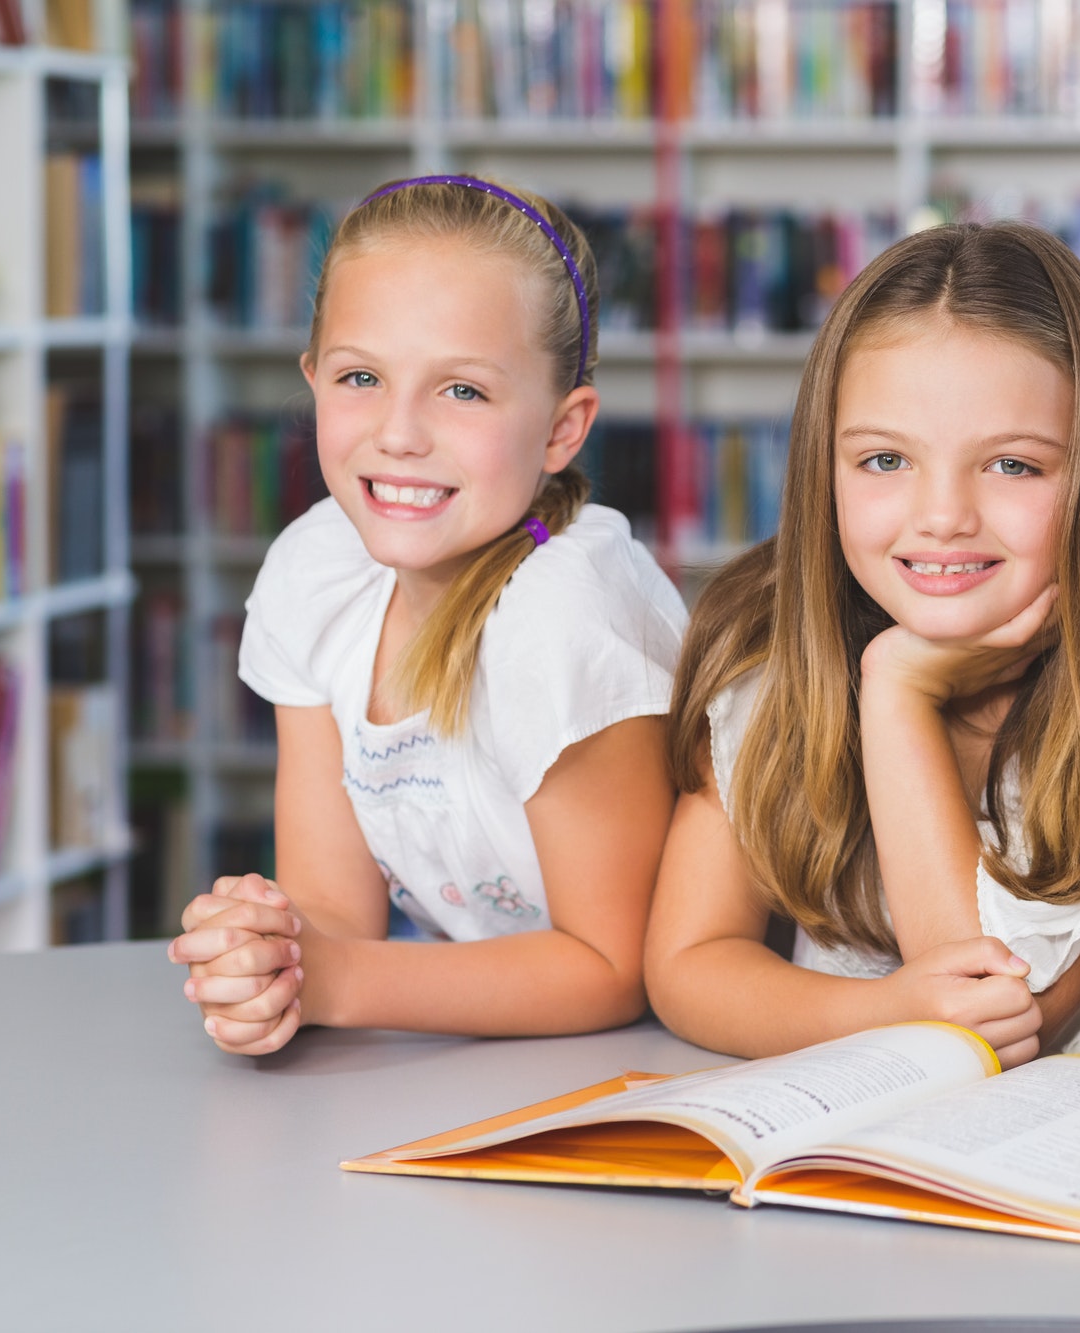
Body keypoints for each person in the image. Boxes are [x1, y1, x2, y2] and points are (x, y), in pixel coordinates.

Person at [165, 175, 688, 1055]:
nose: (399, 433)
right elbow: (335, 909)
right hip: (465, 1054)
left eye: (463, 391)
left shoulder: (566, 612)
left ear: (564, 429)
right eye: (361, 376)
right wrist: (274, 958)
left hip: (631, 1064)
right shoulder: (316, 571)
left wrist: (337, 979)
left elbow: (611, 965)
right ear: (314, 380)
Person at [645, 222, 1080, 1068]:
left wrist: (898, 691)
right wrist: (882, 1011)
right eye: (885, 459)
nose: (941, 516)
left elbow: (1002, 1019)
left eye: (1012, 466)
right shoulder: (774, 648)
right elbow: (689, 962)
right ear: (824, 466)